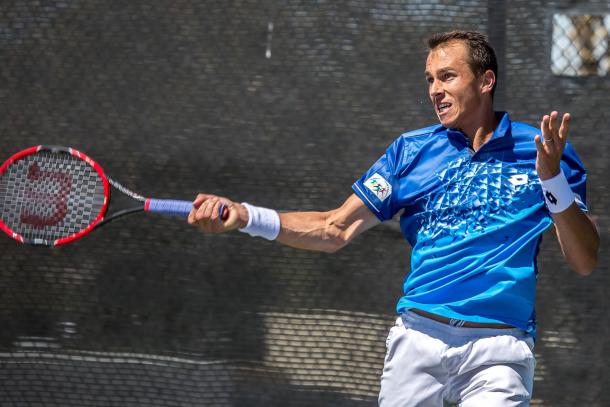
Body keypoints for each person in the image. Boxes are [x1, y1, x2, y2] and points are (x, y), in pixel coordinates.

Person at [188, 31, 599, 406]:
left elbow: (584, 260)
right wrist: (245, 216)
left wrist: (553, 180)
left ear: (486, 81)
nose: (435, 90)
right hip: (419, 340)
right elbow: (335, 228)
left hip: (500, 347)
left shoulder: (544, 149)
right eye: (430, 80)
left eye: (448, 77)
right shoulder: (410, 152)